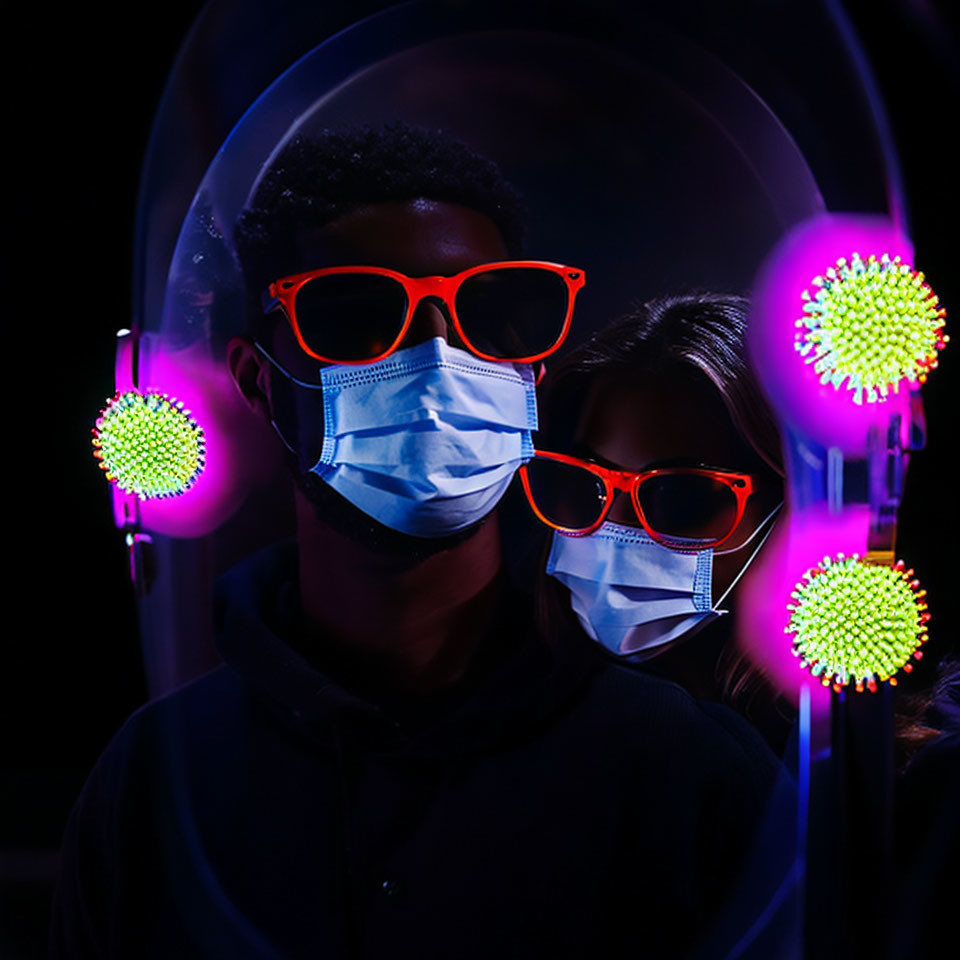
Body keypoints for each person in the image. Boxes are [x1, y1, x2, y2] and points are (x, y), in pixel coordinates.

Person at [51, 126, 786, 958]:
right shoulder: (157, 784)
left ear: (531, 376)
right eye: (361, 317)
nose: (439, 362)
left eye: (489, 312)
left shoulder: (686, 774)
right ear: (260, 381)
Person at [519, 292, 794, 752]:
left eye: (678, 496)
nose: (613, 533)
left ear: (788, 510)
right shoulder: (505, 742)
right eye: (587, 485)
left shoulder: (889, 780)